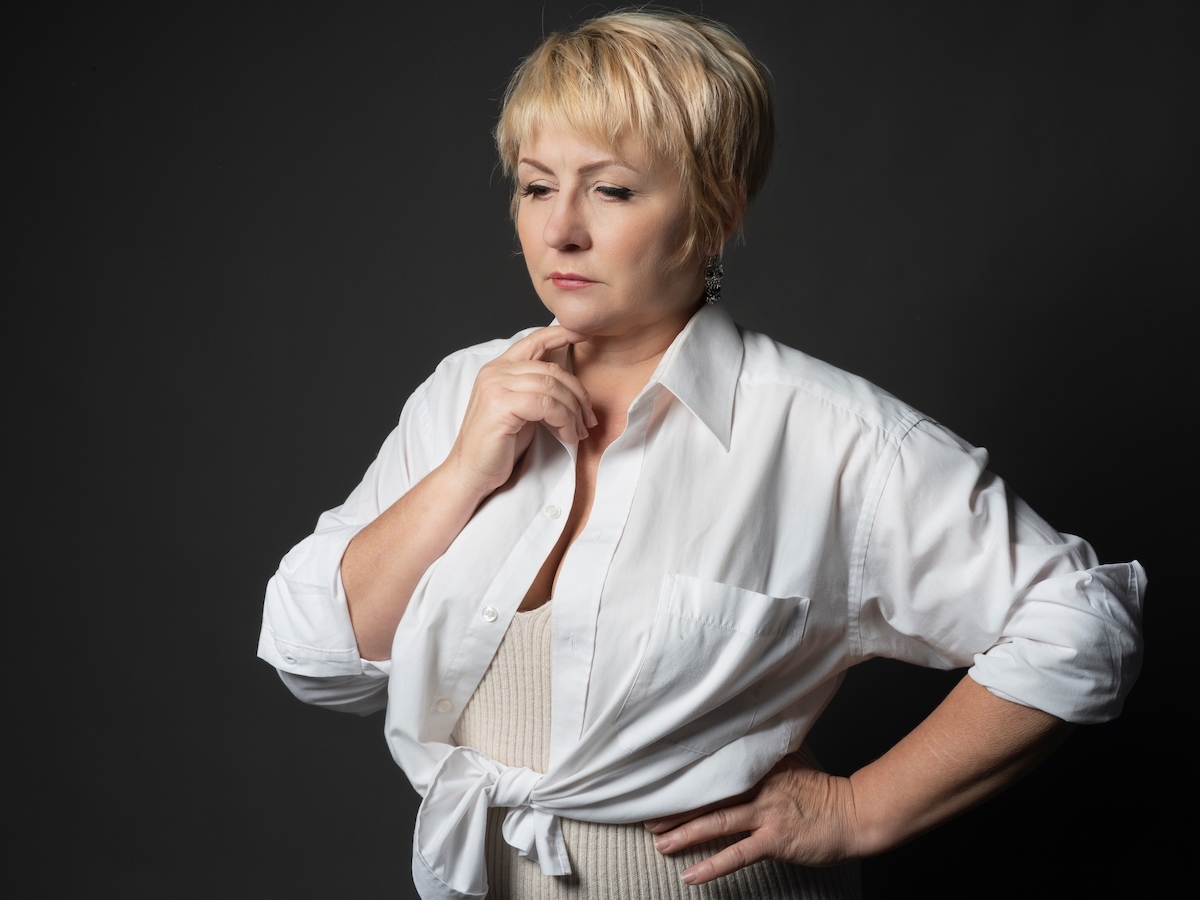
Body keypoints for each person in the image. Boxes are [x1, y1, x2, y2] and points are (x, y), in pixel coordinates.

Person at [257, 10, 1144, 900]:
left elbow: (1080, 623)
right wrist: (461, 476)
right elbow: (314, 654)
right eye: (535, 186)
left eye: (611, 191)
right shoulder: (463, 393)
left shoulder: (828, 434)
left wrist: (860, 810)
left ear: (715, 212)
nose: (561, 229)